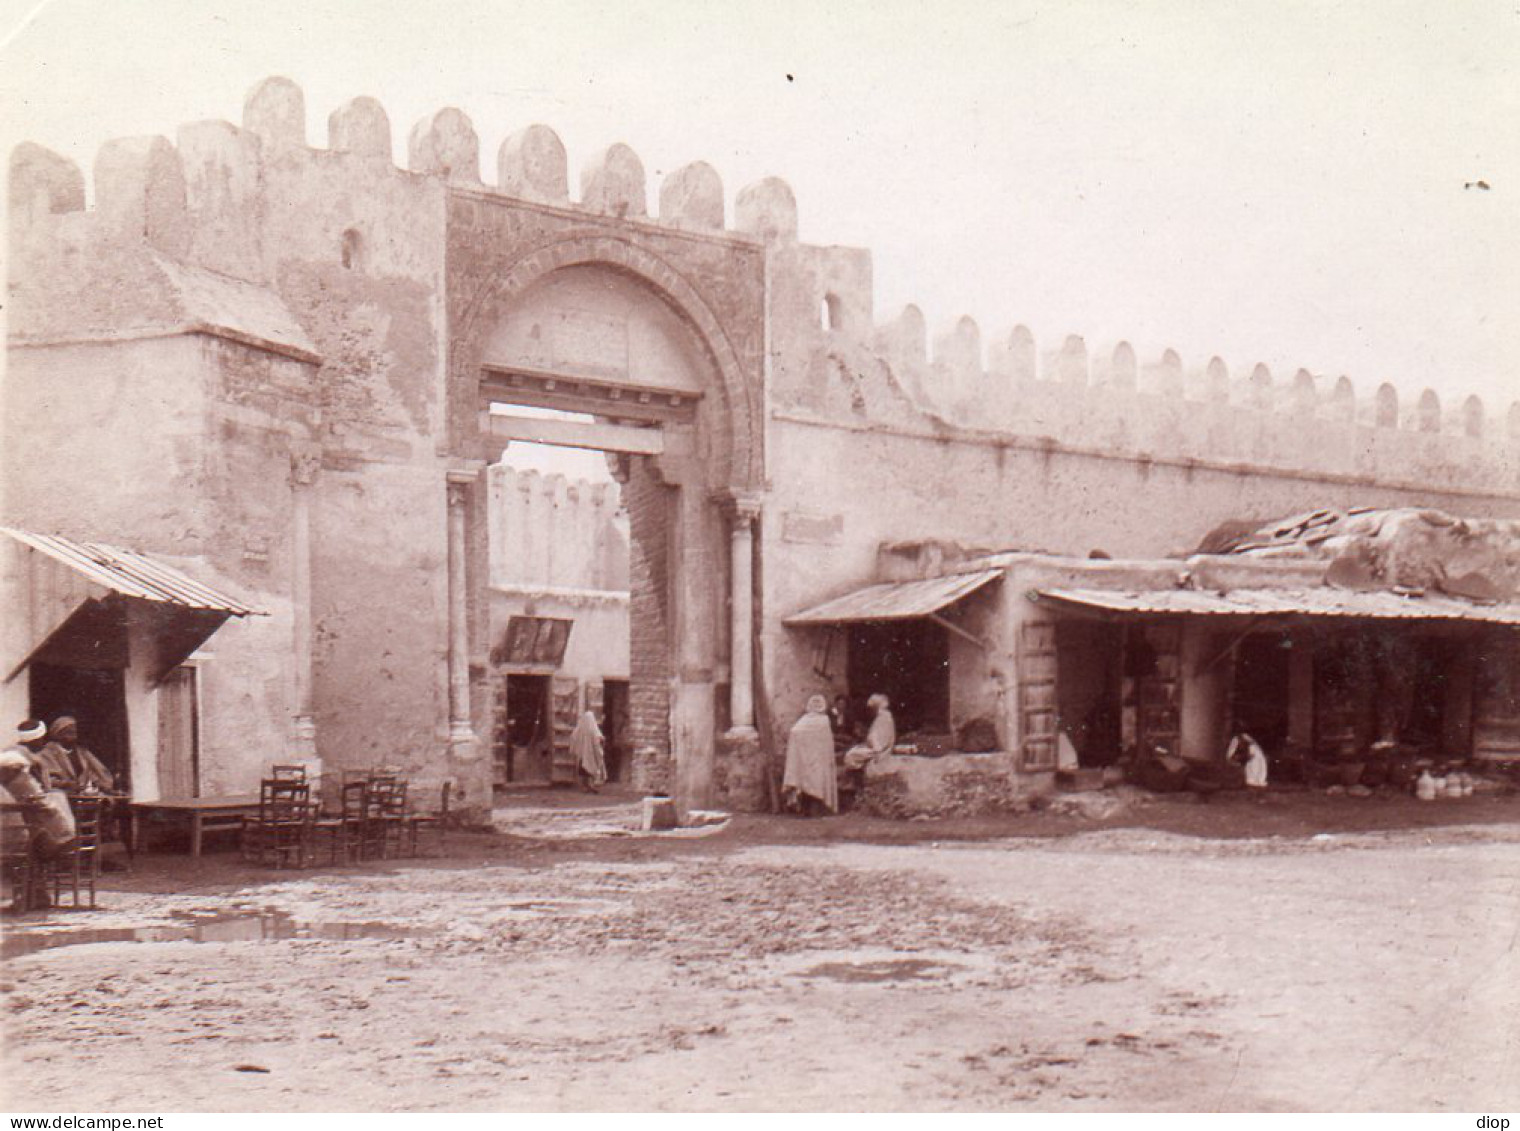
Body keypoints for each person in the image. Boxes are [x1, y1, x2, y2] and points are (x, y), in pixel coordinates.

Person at [782, 695, 837, 816]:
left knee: (815, 783)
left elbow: (825, 742)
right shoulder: (806, 720)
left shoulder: (823, 720)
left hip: (818, 759)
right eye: (815, 703)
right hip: (806, 759)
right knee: (807, 784)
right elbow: (795, 732)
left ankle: (815, 810)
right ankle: (806, 810)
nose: (817, 706)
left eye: (819, 703)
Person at [37, 716, 115, 794]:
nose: (74, 735)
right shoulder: (47, 753)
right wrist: (66, 784)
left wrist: (103, 787)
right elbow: (46, 779)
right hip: (62, 796)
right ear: (58, 734)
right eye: (69, 732)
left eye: (74, 732)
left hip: (85, 794)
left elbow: (97, 773)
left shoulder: (82, 752)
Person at [843, 693, 896, 771]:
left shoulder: (884, 719)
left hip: (880, 750)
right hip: (876, 747)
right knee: (853, 750)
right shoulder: (881, 718)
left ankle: (858, 777)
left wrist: (874, 747)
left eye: (872, 708)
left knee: (850, 755)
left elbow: (879, 740)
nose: (871, 711)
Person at [568, 710, 607, 793]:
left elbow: (573, 738)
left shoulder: (579, 729)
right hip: (591, 755)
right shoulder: (593, 729)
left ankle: (585, 786)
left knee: (583, 769)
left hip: (583, 755)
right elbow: (599, 738)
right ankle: (590, 785)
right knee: (590, 769)